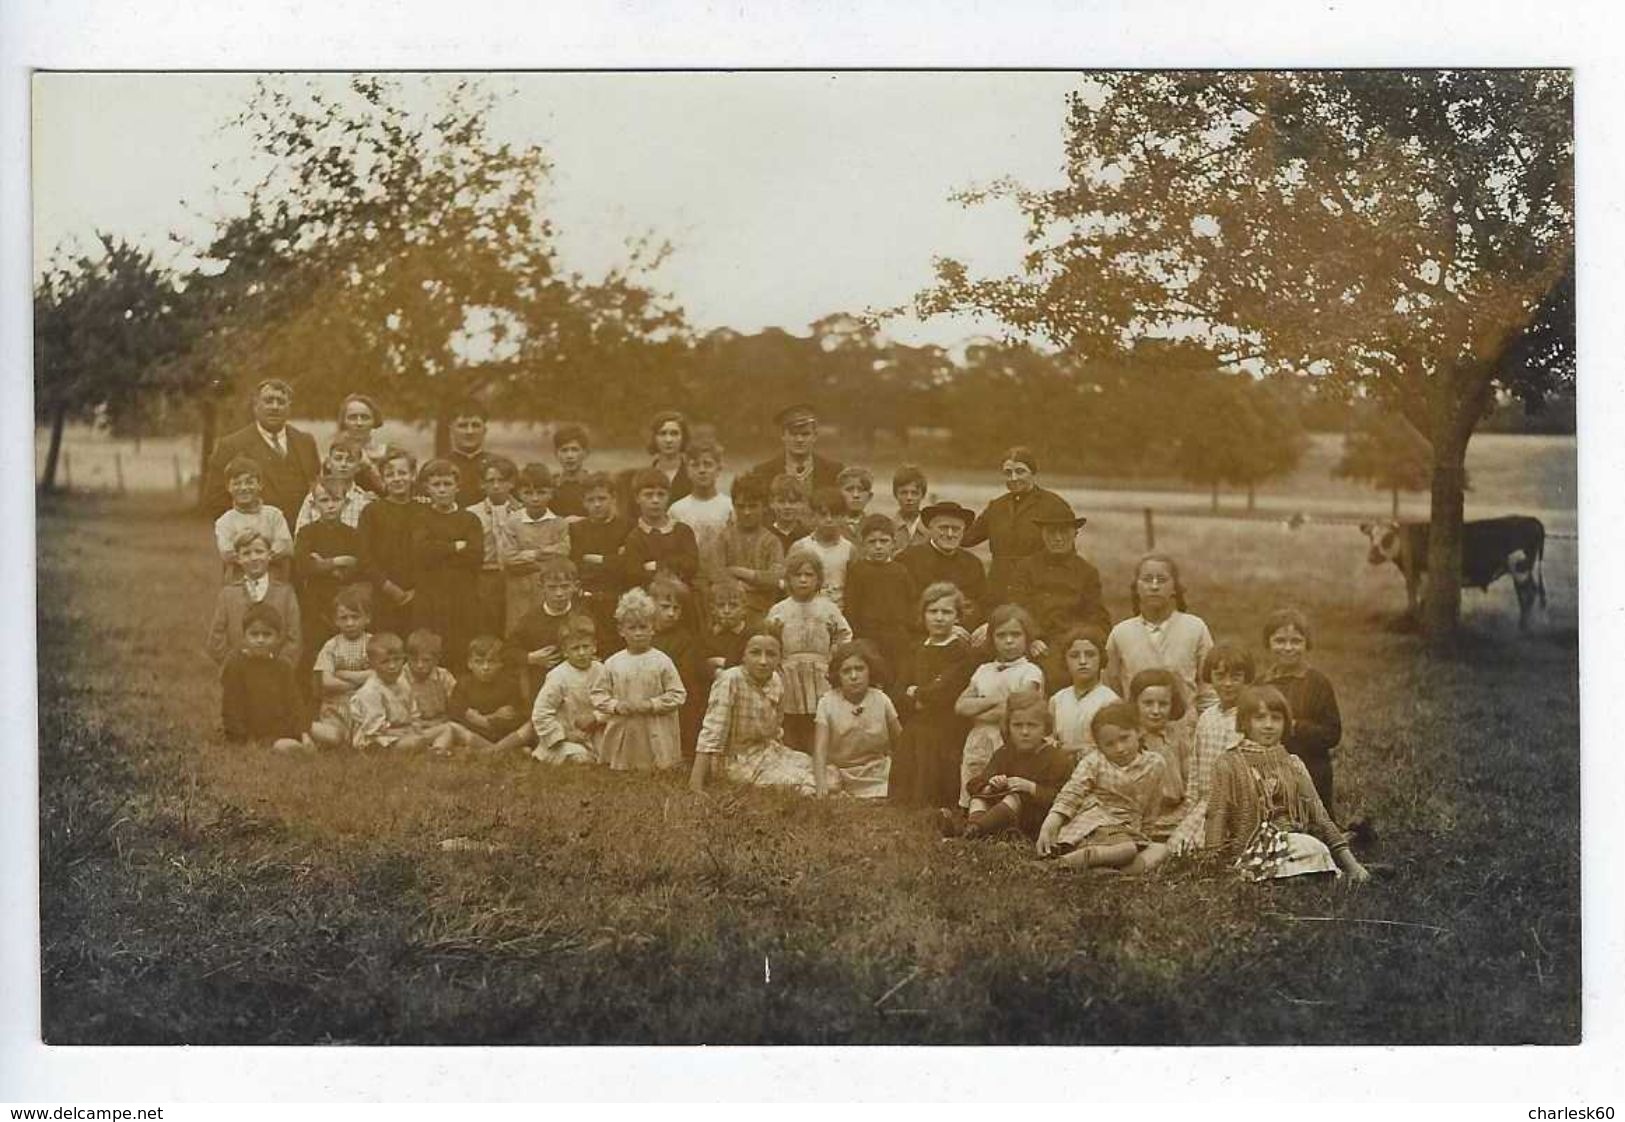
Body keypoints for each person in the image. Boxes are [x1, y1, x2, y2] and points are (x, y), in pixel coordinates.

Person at [1205, 686, 1370, 884]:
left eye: (1276, 718)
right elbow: (1217, 814)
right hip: (1249, 848)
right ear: (1245, 723)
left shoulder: (1292, 763)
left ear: (1285, 723)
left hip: (1293, 839)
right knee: (1307, 850)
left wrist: (1353, 865)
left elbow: (1320, 815)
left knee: (1311, 847)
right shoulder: (1228, 763)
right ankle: (1317, 875)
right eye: (1260, 718)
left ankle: (1335, 871)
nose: (1268, 725)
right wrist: (1213, 865)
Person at [1036, 701, 1170, 874]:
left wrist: (1145, 836)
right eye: (1109, 744)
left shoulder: (1155, 764)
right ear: (1099, 746)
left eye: (1124, 738)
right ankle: (1058, 865)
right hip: (1096, 826)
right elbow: (1072, 792)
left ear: (1138, 731)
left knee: (1160, 849)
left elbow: (1152, 806)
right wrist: (1052, 822)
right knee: (1126, 849)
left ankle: (1106, 872)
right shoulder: (1095, 762)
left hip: (1129, 831)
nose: (1120, 749)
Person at [690, 631, 820, 795]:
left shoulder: (776, 679)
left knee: (823, 771)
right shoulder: (730, 680)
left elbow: (777, 724)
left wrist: (778, 754)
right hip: (735, 760)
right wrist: (695, 784)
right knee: (803, 786)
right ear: (743, 655)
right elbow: (712, 732)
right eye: (755, 653)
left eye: (771, 654)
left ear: (780, 658)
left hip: (767, 751)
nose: (763, 661)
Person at [951, 604, 1045, 821]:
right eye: (1001, 635)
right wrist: (996, 700)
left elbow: (1017, 711)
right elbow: (961, 706)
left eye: (1015, 635)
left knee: (1005, 784)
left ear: (1027, 637)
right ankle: (973, 817)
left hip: (1010, 739)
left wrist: (980, 707)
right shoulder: (983, 671)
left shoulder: (1030, 672)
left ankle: (998, 820)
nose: (1009, 641)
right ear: (992, 639)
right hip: (980, 737)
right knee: (978, 779)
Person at [889, 582, 975, 809]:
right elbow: (898, 690)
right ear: (923, 615)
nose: (939, 618)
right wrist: (915, 695)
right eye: (933, 611)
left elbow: (946, 690)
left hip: (947, 726)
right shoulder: (917, 648)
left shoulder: (961, 651)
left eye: (946, 612)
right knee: (914, 741)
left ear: (957, 617)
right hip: (917, 724)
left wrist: (918, 692)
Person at [949, 691, 1074, 840]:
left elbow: (1063, 798)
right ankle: (975, 831)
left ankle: (972, 834)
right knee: (979, 799)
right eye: (1017, 725)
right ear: (1008, 726)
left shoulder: (1056, 758)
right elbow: (973, 784)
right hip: (1001, 818)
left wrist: (1031, 788)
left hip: (1035, 821)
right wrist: (990, 785)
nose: (1025, 732)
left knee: (1014, 798)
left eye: (1032, 725)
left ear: (1045, 728)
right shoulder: (1005, 753)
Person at [962, 446, 1077, 606]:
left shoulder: (1054, 505)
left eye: (1020, 471)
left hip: (1037, 587)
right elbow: (966, 538)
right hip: (999, 588)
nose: (1014, 478)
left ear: (1033, 472)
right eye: (1008, 473)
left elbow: (1067, 554)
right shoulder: (996, 507)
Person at [1008, 512, 1110, 690]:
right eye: (1051, 532)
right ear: (1042, 534)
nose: (1057, 538)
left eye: (1064, 532)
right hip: (1033, 641)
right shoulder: (1026, 568)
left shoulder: (1086, 572)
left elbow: (1097, 616)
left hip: (1071, 642)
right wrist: (1031, 638)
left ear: (1075, 534)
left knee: (1060, 675)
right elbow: (1018, 607)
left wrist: (1081, 642)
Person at [590, 588, 687, 772]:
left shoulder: (662, 661)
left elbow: (678, 694)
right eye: (632, 628)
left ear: (652, 628)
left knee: (656, 762)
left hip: (655, 726)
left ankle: (658, 765)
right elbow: (598, 694)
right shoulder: (613, 662)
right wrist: (615, 706)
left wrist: (652, 704)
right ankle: (623, 765)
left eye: (643, 627)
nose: (638, 633)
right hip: (625, 725)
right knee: (625, 762)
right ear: (621, 630)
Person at [1104, 552, 1214, 714]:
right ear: (1136, 587)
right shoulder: (1121, 633)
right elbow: (1112, 689)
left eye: (1162, 580)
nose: (1154, 586)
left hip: (1185, 729)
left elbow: (1208, 688)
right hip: (1136, 728)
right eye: (1147, 580)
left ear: (1174, 588)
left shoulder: (1195, 628)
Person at [766, 550, 853, 752]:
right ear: (788, 579)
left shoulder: (828, 608)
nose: (803, 580)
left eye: (809, 575)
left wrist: (834, 653)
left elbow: (845, 634)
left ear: (818, 579)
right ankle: (792, 756)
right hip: (789, 671)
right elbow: (769, 641)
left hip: (820, 671)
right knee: (790, 718)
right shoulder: (779, 609)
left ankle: (819, 757)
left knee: (819, 717)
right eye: (798, 575)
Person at [205, 378, 322, 528]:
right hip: (257, 542)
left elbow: (318, 489)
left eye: (280, 402)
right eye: (268, 401)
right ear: (256, 406)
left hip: (303, 538)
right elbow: (215, 499)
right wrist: (244, 535)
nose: (275, 407)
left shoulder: (305, 442)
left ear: (289, 407)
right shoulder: (231, 445)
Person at [1260, 607, 1343, 811]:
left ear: (1307, 644)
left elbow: (1332, 734)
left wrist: (1297, 726)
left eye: (1296, 641)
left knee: (1312, 827)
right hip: (1268, 769)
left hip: (1311, 769)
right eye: (1280, 641)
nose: (1288, 648)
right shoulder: (1260, 685)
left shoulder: (1318, 683)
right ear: (1268, 643)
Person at [1180, 640, 1256, 851]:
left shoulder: (1251, 718)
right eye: (1220, 676)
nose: (1228, 683)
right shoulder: (1207, 716)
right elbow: (1195, 765)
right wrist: (1191, 804)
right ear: (1210, 677)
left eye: (1235, 677)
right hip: (1206, 802)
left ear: (1247, 678)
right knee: (1177, 847)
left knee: (1211, 849)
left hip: (1238, 807)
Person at [411, 458, 484, 672]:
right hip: (431, 597)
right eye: (436, 485)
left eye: (447, 484)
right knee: (431, 649)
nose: (442, 490)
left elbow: (475, 555)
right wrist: (455, 546)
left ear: (457, 487)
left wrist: (439, 549)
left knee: (461, 650)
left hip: (462, 596)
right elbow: (421, 552)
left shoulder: (470, 520)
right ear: (427, 488)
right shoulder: (421, 518)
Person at [294, 475, 371, 671]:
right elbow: (303, 566)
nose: (330, 506)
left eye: (335, 500)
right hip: (316, 603)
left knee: (346, 650)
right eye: (324, 500)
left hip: (346, 601)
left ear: (345, 503)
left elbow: (359, 565)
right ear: (315, 504)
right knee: (315, 651)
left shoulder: (353, 534)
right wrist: (338, 561)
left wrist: (322, 565)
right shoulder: (307, 533)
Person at [813, 639, 900, 799]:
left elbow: (900, 740)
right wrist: (820, 785)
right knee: (827, 783)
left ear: (870, 671)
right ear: (838, 675)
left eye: (859, 669)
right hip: (841, 771)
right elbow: (820, 750)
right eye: (846, 671)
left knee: (898, 782)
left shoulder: (881, 699)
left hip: (876, 769)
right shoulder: (827, 702)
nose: (854, 676)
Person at [1128, 667, 1202, 852]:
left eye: (1163, 704)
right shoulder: (1130, 739)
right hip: (1141, 818)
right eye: (1148, 703)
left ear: (1172, 704)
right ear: (1135, 703)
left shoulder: (1178, 736)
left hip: (1176, 815)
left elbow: (1190, 779)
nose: (1156, 711)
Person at [347, 632, 459, 752]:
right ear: (372, 664)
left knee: (446, 729)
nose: (392, 666)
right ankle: (428, 750)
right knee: (415, 741)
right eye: (385, 662)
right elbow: (375, 728)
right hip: (379, 739)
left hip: (404, 732)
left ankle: (437, 752)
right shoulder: (371, 691)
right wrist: (407, 732)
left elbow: (413, 712)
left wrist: (416, 726)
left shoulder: (402, 682)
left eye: (397, 660)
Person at [207, 529, 302, 669]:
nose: (253, 558)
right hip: (238, 675)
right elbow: (216, 637)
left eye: (259, 552)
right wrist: (232, 665)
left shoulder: (285, 593)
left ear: (269, 555)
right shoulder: (228, 594)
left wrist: (282, 665)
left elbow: (294, 636)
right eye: (246, 553)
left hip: (277, 674)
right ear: (238, 559)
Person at [218, 602, 307, 752]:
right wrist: (242, 738)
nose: (260, 640)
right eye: (254, 634)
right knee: (281, 746)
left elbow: (294, 702)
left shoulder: (282, 665)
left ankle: (300, 741)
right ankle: (286, 746)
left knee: (321, 733)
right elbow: (231, 707)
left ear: (278, 637)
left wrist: (303, 732)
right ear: (245, 636)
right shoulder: (236, 664)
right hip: (251, 731)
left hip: (280, 727)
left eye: (267, 635)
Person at [498, 463, 571, 635]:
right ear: (519, 494)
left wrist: (529, 555)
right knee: (520, 629)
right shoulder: (513, 523)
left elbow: (564, 553)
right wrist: (542, 555)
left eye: (541, 492)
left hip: (551, 588)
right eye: (528, 493)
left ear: (551, 493)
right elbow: (508, 558)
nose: (535, 499)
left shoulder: (559, 523)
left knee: (551, 628)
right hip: (519, 588)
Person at [357, 447, 421, 638]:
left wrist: (417, 589)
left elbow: (431, 554)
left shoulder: (424, 510)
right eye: (390, 474)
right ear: (382, 479)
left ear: (413, 475)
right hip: (383, 594)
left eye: (402, 473)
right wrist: (389, 588)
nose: (397, 478)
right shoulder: (372, 511)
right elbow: (364, 556)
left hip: (418, 595)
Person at [668, 437, 734, 620]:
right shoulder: (677, 509)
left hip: (723, 584)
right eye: (695, 465)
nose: (702, 470)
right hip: (689, 585)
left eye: (708, 464)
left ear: (719, 468)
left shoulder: (729, 507)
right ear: (687, 469)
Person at [843, 513, 917, 676]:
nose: (878, 546)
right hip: (867, 637)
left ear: (893, 543)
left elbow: (911, 603)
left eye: (883, 541)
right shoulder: (858, 571)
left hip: (897, 638)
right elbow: (851, 607)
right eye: (872, 542)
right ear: (863, 544)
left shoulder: (901, 571)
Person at [899, 500, 988, 632]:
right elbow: (901, 606)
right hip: (918, 636)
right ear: (930, 528)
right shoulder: (908, 559)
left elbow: (980, 606)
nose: (950, 534)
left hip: (962, 636)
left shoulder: (973, 564)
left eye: (956, 529)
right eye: (943, 528)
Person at [506, 556, 584, 701]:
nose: (559, 593)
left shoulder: (585, 615)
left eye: (565, 586)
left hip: (579, 688)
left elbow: (603, 649)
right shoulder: (530, 620)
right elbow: (508, 651)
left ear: (575, 586)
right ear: (541, 587)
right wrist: (530, 658)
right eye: (552, 588)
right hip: (543, 689)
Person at [529, 613, 604, 765]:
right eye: (575, 648)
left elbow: (612, 703)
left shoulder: (602, 671)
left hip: (595, 732)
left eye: (586, 647)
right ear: (565, 651)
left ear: (594, 646)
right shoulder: (558, 676)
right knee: (579, 758)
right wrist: (566, 734)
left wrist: (596, 716)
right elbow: (540, 714)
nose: (582, 653)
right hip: (564, 737)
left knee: (617, 753)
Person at [306, 587, 375, 749]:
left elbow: (379, 675)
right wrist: (362, 682)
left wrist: (344, 674)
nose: (350, 623)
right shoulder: (331, 646)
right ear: (336, 621)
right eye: (344, 618)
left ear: (367, 618)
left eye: (355, 617)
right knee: (334, 737)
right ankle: (305, 731)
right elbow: (327, 681)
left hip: (366, 709)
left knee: (368, 740)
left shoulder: (374, 644)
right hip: (336, 710)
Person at [736, 403, 845, 498]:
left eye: (805, 434)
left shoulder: (834, 471)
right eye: (793, 434)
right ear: (783, 435)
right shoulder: (763, 472)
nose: (799, 439)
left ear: (815, 436)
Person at [569, 471, 631, 636]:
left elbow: (626, 565)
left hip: (617, 598)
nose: (597, 504)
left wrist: (599, 559)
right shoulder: (577, 530)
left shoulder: (627, 528)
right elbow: (577, 565)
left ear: (613, 498)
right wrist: (611, 559)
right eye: (591, 500)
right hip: (587, 600)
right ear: (583, 502)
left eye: (602, 499)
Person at [618, 468, 700, 593]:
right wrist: (673, 566)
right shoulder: (634, 537)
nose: (655, 500)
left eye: (661, 494)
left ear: (668, 496)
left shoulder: (682, 531)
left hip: (682, 593)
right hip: (648, 595)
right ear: (637, 498)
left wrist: (656, 565)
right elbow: (634, 574)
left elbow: (691, 565)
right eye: (648, 495)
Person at [213, 456, 293, 583]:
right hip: (239, 582)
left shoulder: (273, 514)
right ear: (228, 487)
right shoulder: (225, 521)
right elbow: (227, 553)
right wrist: (262, 553)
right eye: (237, 483)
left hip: (274, 580)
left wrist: (249, 555)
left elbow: (286, 546)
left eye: (249, 482)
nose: (243, 488)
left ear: (260, 484)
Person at [1048, 625, 1119, 760]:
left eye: (1090, 655)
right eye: (1074, 656)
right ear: (1065, 660)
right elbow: (1050, 741)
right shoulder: (1057, 699)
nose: (1083, 661)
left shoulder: (1110, 700)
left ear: (1101, 658)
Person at [467, 455, 520, 637]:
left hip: (514, 577)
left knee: (511, 624)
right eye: (491, 481)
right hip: (485, 576)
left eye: (502, 480)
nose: (496, 486)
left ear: (511, 483)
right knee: (486, 624)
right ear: (482, 484)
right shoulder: (472, 514)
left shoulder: (520, 511)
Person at [720, 475, 785, 617]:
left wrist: (738, 571)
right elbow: (716, 574)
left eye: (753, 506)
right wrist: (750, 585)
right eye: (741, 506)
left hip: (763, 613)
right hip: (727, 613)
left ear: (764, 507)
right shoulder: (724, 538)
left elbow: (775, 579)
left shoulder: (772, 542)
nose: (747, 512)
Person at [450, 635, 530, 751]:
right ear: (469, 664)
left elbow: (513, 717)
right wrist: (493, 717)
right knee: (454, 728)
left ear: (501, 663)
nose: (485, 667)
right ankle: (502, 750)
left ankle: (489, 751)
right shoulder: (463, 684)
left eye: (491, 662)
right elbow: (457, 714)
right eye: (479, 662)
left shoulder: (509, 684)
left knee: (529, 726)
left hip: (502, 735)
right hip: (475, 734)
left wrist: (483, 719)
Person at [293, 434, 374, 531]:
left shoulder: (365, 501)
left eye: (350, 460)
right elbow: (300, 535)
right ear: (328, 463)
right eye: (338, 459)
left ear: (358, 467)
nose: (343, 464)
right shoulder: (312, 499)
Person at [793, 487, 857, 608]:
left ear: (843, 517)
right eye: (823, 515)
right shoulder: (801, 547)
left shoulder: (849, 550)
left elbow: (853, 589)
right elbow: (790, 584)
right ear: (813, 516)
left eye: (835, 515)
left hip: (838, 612)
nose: (829, 520)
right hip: (806, 609)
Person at [620, 410, 692, 513]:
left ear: (683, 437)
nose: (668, 440)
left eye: (674, 434)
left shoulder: (692, 477)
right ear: (654, 438)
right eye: (662, 434)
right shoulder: (640, 478)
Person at [336, 393, 389, 494]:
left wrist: (369, 467)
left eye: (365, 417)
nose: (359, 423)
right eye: (352, 417)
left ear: (374, 420)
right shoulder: (336, 457)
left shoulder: (388, 454)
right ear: (344, 421)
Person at [405, 629, 459, 726]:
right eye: (414, 660)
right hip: (413, 726)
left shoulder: (443, 676)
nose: (419, 665)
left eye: (426, 660)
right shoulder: (401, 678)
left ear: (436, 660)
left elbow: (457, 705)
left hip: (441, 722)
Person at [446, 399, 493, 509]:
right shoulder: (436, 467)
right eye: (462, 425)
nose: (469, 431)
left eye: (475, 425)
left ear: (485, 430)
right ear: (451, 429)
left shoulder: (499, 466)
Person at [550, 423, 593, 518]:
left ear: (586, 453)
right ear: (556, 454)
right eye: (564, 450)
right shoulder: (551, 485)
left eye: (575, 450)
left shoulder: (593, 484)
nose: (569, 456)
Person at [890, 464, 930, 554]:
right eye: (904, 493)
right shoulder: (888, 528)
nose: (909, 498)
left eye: (914, 493)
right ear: (896, 495)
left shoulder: (930, 529)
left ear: (922, 495)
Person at [767, 474, 811, 554]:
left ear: (801, 504)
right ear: (771, 503)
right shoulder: (766, 535)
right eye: (781, 501)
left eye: (792, 502)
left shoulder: (808, 536)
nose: (787, 507)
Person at [836, 465, 874, 539]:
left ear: (869, 497)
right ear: (838, 494)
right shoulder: (831, 526)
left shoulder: (875, 525)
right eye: (849, 490)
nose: (856, 495)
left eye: (861, 490)